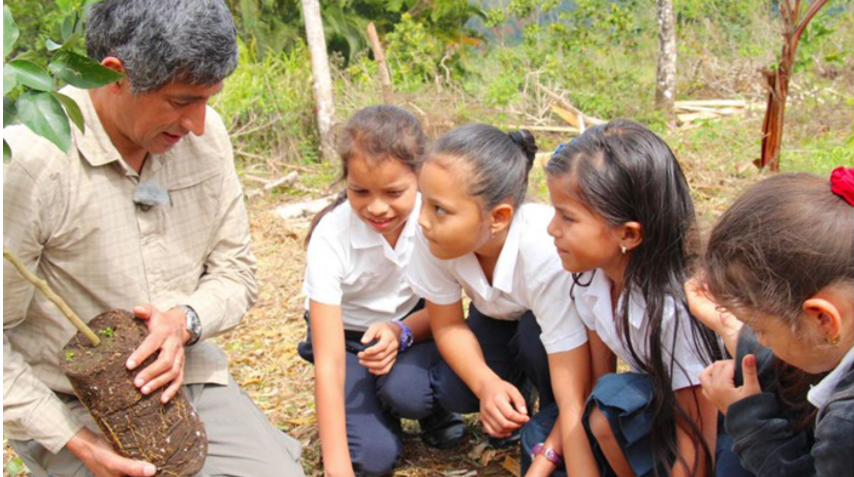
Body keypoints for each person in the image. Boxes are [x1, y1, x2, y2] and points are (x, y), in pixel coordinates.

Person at [2, 1, 304, 476]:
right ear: (113, 75)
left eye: (209, 100)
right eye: (183, 101)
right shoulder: (32, 164)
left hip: (185, 378)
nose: (199, 125)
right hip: (69, 404)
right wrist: (76, 442)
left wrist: (182, 322)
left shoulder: (206, 139)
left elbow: (236, 273)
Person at [540, 119, 741, 477]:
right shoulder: (590, 278)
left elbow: (696, 444)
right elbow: (597, 391)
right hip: (665, 401)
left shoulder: (673, 311)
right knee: (604, 412)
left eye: (567, 217)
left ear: (628, 234)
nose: (551, 228)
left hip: (724, 424)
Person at [405, 124, 592, 477]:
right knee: (455, 389)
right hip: (494, 318)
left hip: (553, 333)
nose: (422, 220)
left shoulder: (543, 249)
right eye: (423, 201)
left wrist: (551, 452)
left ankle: (547, 416)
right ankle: (515, 393)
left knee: (532, 337)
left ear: (499, 217)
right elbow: (447, 323)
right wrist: (487, 385)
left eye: (439, 209)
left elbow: (574, 369)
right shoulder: (433, 237)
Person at [298, 106, 465, 477]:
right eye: (359, 191)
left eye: (394, 192)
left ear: (421, 178)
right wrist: (337, 468)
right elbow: (328, 361)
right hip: (346, 341)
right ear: (345, 181)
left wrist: (400, 330)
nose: (376, 207)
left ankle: (429, 408)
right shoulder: (331, 236)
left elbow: (448, 311)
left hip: (413, 327)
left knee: (409, 392)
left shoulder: (433, 222)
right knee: (371, 459)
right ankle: (374, 405)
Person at [696, 168, 854, 476]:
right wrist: (736, 331)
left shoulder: (845, 428)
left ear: (824, 319)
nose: (761, 339)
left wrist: (748, 422)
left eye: (760, 328)